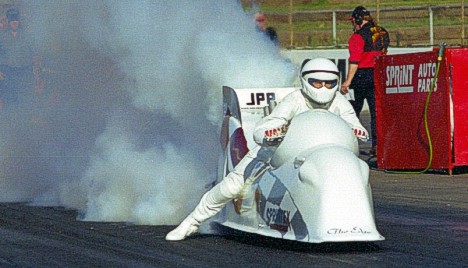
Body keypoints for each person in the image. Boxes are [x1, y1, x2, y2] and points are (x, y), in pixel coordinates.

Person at [165, 57, 369, 241]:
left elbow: (355, 125)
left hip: (321, 156)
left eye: (329, 83)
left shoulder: (340, 102)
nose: (323, 87)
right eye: (317, 82)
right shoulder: (294, 100)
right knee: (233, 185)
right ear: (306, 81)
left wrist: (358, 132)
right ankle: (192, 221)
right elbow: (262, 129)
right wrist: (272, 133)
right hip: (279, 153)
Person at [341, 6, 389, 156]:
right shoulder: (382, 32)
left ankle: (347, 142)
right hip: (378, 74)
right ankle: (377, 145)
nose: (353, 25)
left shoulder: (357, 37)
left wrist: (347, 81)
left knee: (352, 111)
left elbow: (354, 61)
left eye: (354, 22)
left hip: (362, 75)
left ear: (358, 20)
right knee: (376, 112)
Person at [0, 7, 44, 108]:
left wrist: (37, 75)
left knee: (25, 100)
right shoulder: (2, 36)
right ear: (8, 22)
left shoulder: (27, 36)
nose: (15, 22)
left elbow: (35, 56)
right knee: (8, 101)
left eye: (16, 20)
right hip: (7, 73)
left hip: (24, 72)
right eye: (12, 20)